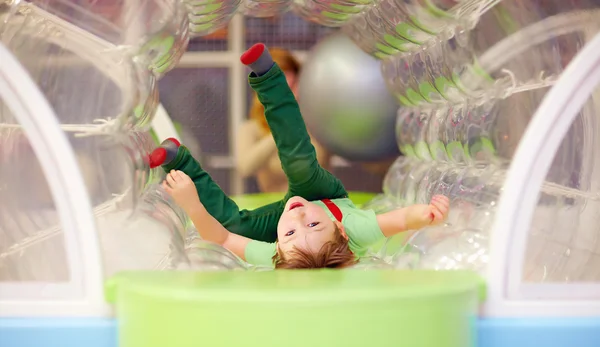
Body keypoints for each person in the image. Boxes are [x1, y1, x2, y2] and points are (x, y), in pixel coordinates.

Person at [150, 43, 450, 269]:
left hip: (279, 217)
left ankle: (177, 161)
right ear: (341, 231)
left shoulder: (281, 254)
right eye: (315, 225)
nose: (299, 215)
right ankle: (268, 76)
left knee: (233, 226)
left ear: (278, 246)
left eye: (292, 231)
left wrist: (190, 203)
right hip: (322, 194)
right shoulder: (354, 230)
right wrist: (427, 215)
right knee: (299, 164)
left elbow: (222, 239)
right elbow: (398, 220)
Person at [235, 47, 330, 193]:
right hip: (278, 210)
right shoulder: (252, 128)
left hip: (321, 207)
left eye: (291, 87)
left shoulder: (317, 123)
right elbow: (245, 168)